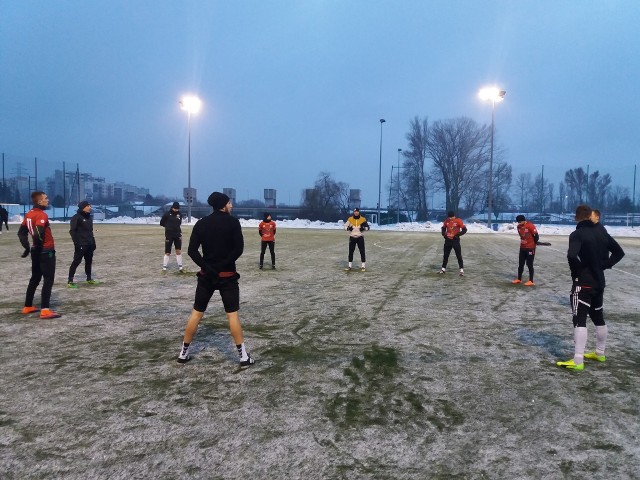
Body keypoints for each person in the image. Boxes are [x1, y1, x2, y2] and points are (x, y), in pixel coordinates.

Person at [176, 192, 255, 367]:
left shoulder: (201, 224)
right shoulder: (233, 223)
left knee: (196, 313)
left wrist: (208, 268)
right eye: (229, 202)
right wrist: (222, 266)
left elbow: (192, 251)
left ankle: (183, 353)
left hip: (207, 277)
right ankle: (243, 357)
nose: (232, 205)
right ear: (223, 205)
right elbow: (238, 249)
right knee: (232, 315)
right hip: (227, 277)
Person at [557, 205, 625, 371]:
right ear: (591, 216)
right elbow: (619, 252)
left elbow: (572, 255)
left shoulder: (577, 234)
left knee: (579, 319)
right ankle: (600, 353)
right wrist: (604, 265)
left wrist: (578, 273)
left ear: (577, 217)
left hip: (584, 282)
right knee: (597, 317)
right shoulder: (601, 231)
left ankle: (578, 360)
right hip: (599, 281)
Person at [17, 191, 61, 319]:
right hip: (45, 251)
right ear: (39, 201)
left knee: (35, 278)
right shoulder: (42, 215)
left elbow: (21, 232)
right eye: (46, 198)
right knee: (48, 280)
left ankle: (28, 306)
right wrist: (42, 247)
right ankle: (45, 310)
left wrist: (27, 247)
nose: (48, 200)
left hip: (36, 251)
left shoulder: (29, 214)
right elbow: (38, 233)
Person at [67, 200, 97, 288]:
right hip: (81, 245)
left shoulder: (89, 218)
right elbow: (72, 231)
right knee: (76, 262)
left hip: (89, 244)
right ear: (83, 207)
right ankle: (70, 281)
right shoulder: (76, 217)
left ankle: (89, 279)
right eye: (88, 206)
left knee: (89, 262)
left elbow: (90, 231)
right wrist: (77, 243)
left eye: (90, 206)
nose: (90, 207)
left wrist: (93, 242)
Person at [512, 214, 539, 286]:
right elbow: (522, 236)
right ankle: (519, 279)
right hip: (522, 247)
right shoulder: (518, 227)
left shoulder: (530, 225)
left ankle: (531, 280)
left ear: (524, 220)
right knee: (521, 264)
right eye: (518, 222)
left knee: (529, 264)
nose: (519, 223)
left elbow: (536, 236)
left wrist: (534, 243)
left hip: (530, 248)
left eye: (520, 222)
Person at [438, 211, 467, 276]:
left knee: (458, 255)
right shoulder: (446, 221)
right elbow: (443, 228)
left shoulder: (458, 221)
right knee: (446, 255)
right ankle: (443, 269)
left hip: (455, 240)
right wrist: (444, 234)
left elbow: (464, 230)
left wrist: (457, 235)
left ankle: (461, 270)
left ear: (454, 216)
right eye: (449, 217)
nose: (450, 218)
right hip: (448, 240)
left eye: (451, 217)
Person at [160, 201, 184, 272]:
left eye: (178, 209)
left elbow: (179, 223)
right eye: (175, 208)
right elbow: (161, 223)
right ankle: (164, 267)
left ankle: (180, 267)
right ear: (172, 207)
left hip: (177, 235)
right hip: (169, 235)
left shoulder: (180, 214)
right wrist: (168, 227)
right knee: (168, 252)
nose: (176, 210)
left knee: (178, 251)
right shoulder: (167, 214)